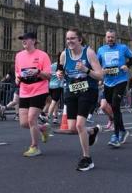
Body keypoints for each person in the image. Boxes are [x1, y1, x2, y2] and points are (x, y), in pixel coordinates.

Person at [56, 28, 103, 171]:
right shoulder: (64, 54)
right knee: (72, 127)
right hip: (71, 91)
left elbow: (100, 75)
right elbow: (61, 69)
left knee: (79, 125)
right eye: (68, 38)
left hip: (87, 91)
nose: (69, 41)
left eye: (73, 38)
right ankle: (93, 131)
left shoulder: (88, 53)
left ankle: (87, 158)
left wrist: (86, 70)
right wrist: (60, 74)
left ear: (80, 40)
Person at [15, 32, 52, 157]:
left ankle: (35, 147)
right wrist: (17, 78)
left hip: (39, 90)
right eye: (22, 39)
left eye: (26, 39)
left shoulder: (43, 55)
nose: (23, 41)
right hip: (24, 90)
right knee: (24, 123)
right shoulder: (19, 56)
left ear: (34, 41)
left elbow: (48, 75)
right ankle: (43, 128)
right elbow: (17, 72)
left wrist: (38, 71)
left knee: (32, 119)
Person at [97, 29, 132, 147]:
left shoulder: (123, 48)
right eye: (108, 37)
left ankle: (116, 136)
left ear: (116, 38)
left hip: (121, 80)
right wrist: (100, 71)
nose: (110, 39)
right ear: (105, 38)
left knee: (115, 105)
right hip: (108, 82)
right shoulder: (101, 50)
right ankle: (123, 130)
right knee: (109, 107)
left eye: (112, 37)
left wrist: (127, 65)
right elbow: (97, 64)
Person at [48, 55, 64, 124]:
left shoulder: (52, 65)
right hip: (58, 86)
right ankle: (48, 118)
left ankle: (55, 118)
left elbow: (48, 73)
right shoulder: (62, 66)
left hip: (50, 86)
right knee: (53, 102)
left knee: (56, 102)